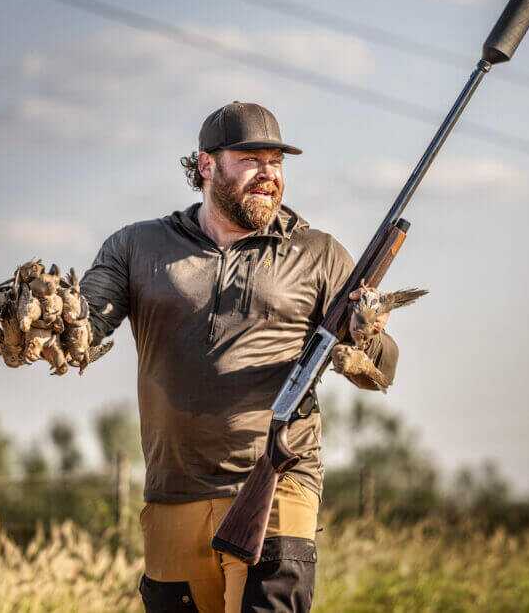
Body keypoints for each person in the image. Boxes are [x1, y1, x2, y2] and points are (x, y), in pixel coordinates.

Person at [80, 101, 400, 613]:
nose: (268, 174)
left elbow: (383, 369)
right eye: (251, 159)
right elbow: (82, 324)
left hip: (277, 484)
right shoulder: (136, 246)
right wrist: (38, 317)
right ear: (206, 166)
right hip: (172, 492)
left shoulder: (317, 253)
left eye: (276, 161)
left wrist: (364, 333)